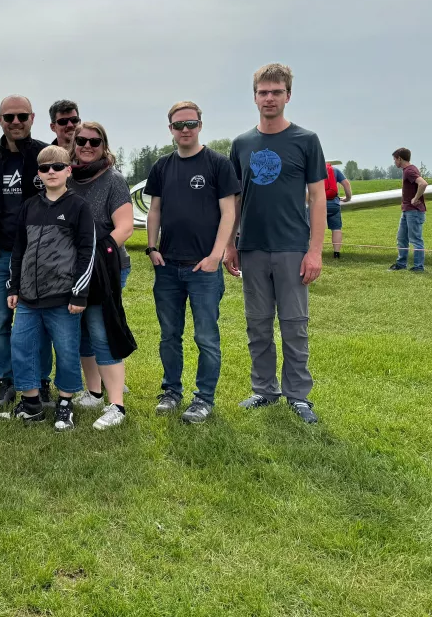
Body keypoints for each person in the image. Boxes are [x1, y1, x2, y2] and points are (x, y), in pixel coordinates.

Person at [225, 63, 327, 425]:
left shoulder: (306, 141)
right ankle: (264, 390)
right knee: (258, 324)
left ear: (288, 95)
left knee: (295, 324)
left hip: (292, 248)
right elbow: (233, 201)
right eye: (263, 92)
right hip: (251, 247)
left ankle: (298, 395)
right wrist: (229, 244)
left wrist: (314, 250)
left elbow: (318, 199)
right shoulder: (241, 145)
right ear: (254, 97)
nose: (269, 98)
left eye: (276, 92)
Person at [146, 102, 239, 424]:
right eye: (178, 125)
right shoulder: (161, 166)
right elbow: (154, 209)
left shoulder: (218, 164)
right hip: (167, 267)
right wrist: (151, 247)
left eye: (191, 124)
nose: (185, 130)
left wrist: (216, 256)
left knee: (206, 338)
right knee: (169, 335)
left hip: (204, 269)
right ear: (170, 129)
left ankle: (203, 398)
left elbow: (229, 212)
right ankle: (171, 391)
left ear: (200, 125)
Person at [2, 146, 95, 430]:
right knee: (22, 347)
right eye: (44, 168)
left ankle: (65, 403)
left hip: (63, 298)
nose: (50, 172)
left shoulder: (78, 206)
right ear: (38, 174)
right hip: (28, 297)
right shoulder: (30, 205)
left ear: (69, 170)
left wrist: (79, 293)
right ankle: (31, 404)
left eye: (57, 167)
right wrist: (13, 287)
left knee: (66, 351)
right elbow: (19, 249)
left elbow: (86, 252)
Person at [0, 95, 54, 408]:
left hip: (37, 256)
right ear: (0, 121)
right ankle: (6, 380)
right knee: (0, 323)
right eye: (9, 117)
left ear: (32, 117)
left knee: (41, 322)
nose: (15, 122)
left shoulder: (46, 154)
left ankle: (41, 382)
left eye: (21, 116)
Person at [67, 121, 135, 430]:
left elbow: (124, 227)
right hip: (71, 270)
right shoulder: (66, 176)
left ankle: (116, 404)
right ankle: (94, 392)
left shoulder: (113, 180)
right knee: (81, 332)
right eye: (82, 140)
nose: (87, 146)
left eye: (95, 142)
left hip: (104, 269)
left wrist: (96, 254)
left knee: (101, 329)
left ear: (103, 145)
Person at [389, 148, 429, 272]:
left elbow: (423, 183)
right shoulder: (408, 170)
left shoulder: (409, 170)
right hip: (407, 210)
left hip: (414, 211)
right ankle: (401, 263)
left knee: (416, 239)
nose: (394, 162)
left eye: (395, 159)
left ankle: (418, 267)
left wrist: (415, 198)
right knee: (401, 238)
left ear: (400, 158)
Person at [325, 163, 352, 258]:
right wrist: (348, 198)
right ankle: (336, 253)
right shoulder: (335, 170)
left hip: (317, 204)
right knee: (336, 228)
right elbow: (346, 184)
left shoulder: (312, 170)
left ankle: (313, 252)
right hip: (334, 204)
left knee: (313, 228)